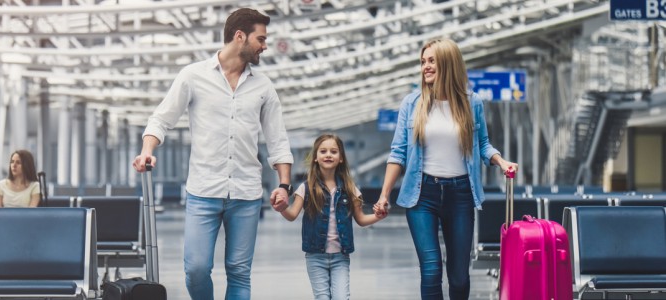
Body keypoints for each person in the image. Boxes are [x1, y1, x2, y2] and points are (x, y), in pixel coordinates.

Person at [131, 8, 294, 299]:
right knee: (195, 269)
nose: (265, 45)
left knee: (239, 271)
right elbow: (161, 119)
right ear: (239, 36)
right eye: (261, 38)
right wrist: (147, 151)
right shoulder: (193, 76)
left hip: (246, 193)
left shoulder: (263, 87)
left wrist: (283, 185)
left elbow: (277, 139)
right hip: (203, 190)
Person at [373, 39, 519, 300]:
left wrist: (501, 161)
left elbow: (483, 144)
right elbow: (398, 152)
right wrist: (384, 195)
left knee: (459, 275)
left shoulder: (472, 103)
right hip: (421, 195)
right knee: (431, 270)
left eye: (431, 61)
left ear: (448, 63)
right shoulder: (412, 103)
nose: (425, 67)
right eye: (423, 62)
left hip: (461, 194)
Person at [278, 134, 385, 300]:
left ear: (341, 158)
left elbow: (361, 219)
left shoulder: (351, 189)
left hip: (341, 258)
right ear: (315, 158)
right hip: (315, 257)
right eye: (323, 151)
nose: (328, 154)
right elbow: (292, 215)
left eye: (333, 151)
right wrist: (282, 208)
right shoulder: (306, 188)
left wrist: (377, 216)